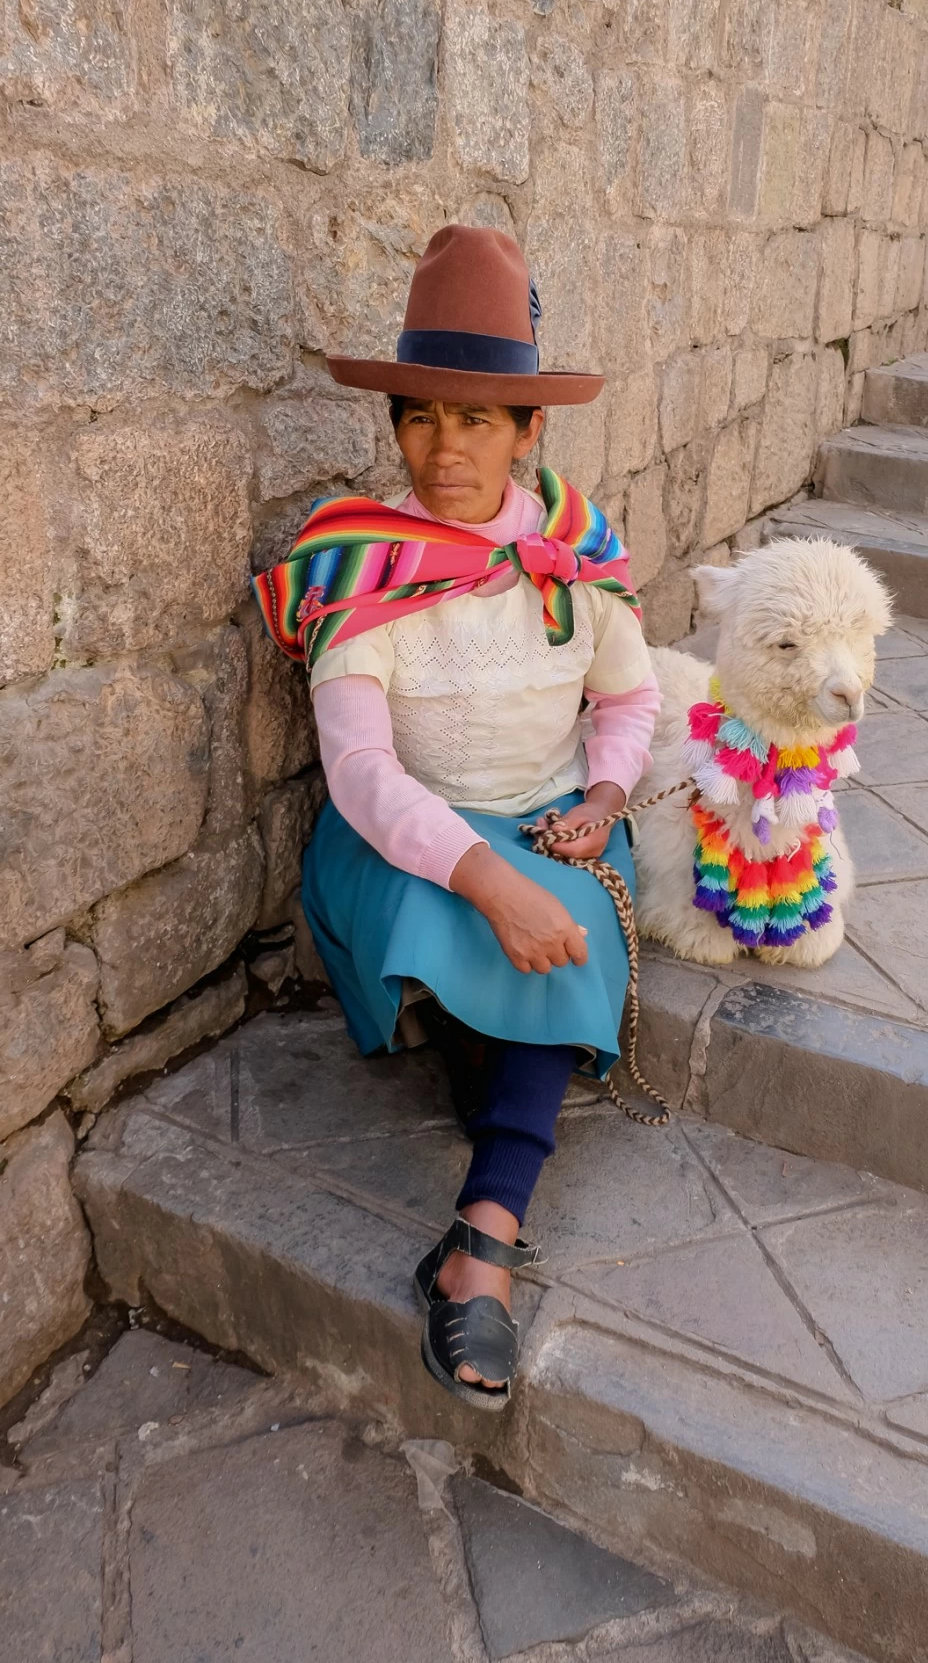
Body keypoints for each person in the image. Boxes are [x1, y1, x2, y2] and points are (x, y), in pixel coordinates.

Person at [254, 225, 659, 1409]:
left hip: (552, 822)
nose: (443, 449)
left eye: (477, 420)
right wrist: (485, 876)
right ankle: (483, 1017)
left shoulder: (576, 559)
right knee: (480, 923)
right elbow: (364, 773)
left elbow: (627, 700)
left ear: (531, 432)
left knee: (566, 913)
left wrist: (601, 797)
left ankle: (482, 1238)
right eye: (421, 416)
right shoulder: (358, 566)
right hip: (403, 836)